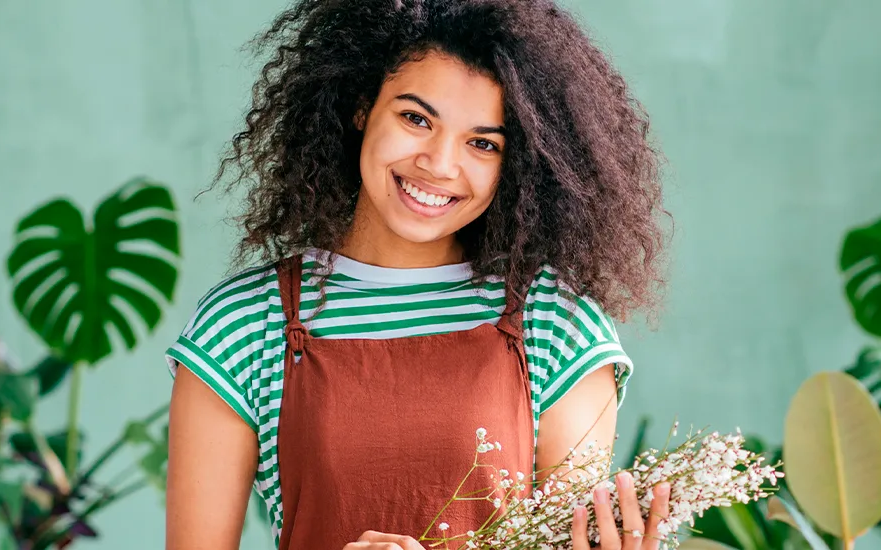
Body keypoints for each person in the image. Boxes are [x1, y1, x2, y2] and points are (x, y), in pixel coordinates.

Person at [164, 0, 669, 548]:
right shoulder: (243, 323)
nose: (439, 163)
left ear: (517, 162)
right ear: (362, 107)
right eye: (416, 118)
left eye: (482, 143)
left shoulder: (556, 322)